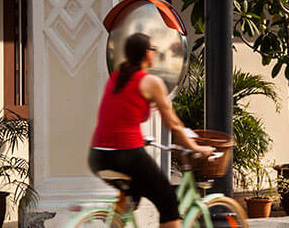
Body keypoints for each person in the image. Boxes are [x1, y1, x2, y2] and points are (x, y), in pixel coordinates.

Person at [88, 33, 212, 228]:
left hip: (98, 156)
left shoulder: (116, 78)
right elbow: (173, 124)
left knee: (133, 196)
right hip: (126, 155)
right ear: (147, 53)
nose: (154, 53)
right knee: (169, 203)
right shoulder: (151, 82)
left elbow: (117, 116)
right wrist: (197, 148)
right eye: (153, 49)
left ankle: (116, 220)